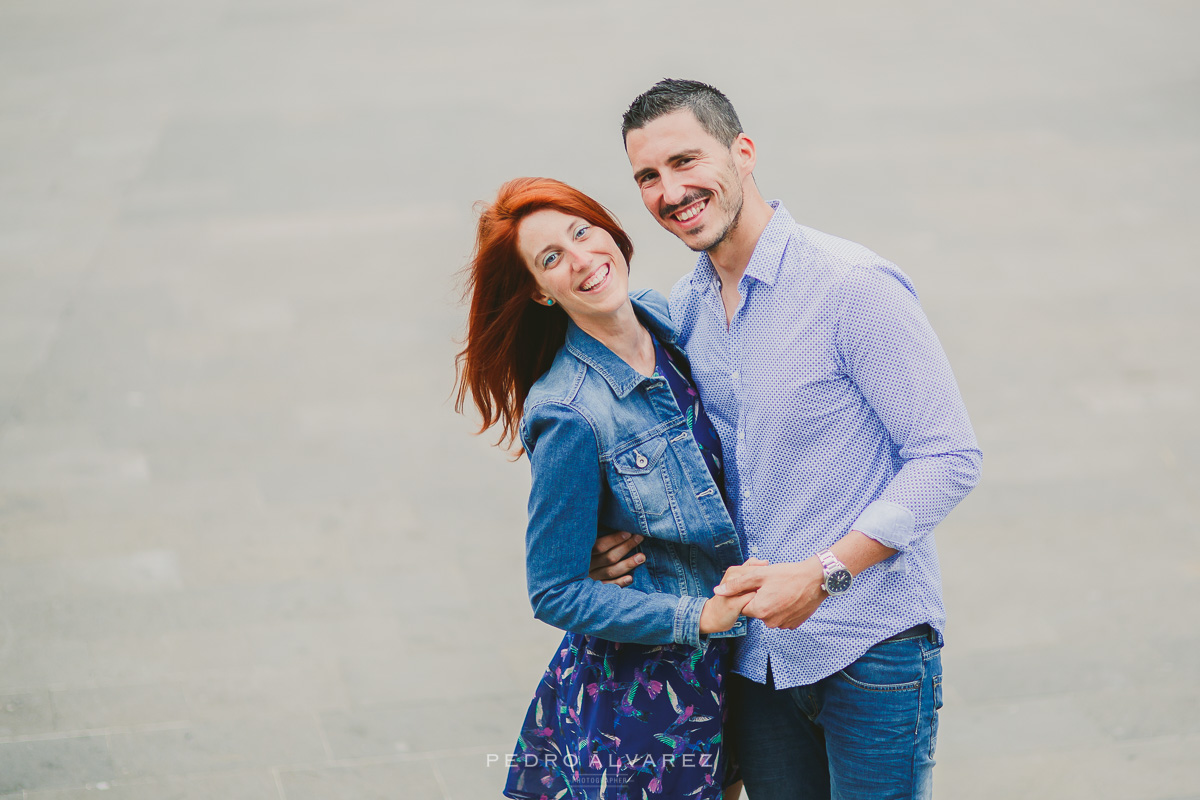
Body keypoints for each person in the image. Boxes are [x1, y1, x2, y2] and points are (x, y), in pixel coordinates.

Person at [592, 79, 983, 799]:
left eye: (686, 161)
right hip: (755, 659)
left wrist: (825, 572)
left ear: (742, 152)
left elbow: (949, 458)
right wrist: (613, 539)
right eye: (647, 176)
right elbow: (698, 473)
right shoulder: (685, 311)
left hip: (872, 646)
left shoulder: (852, 287)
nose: (670, 191)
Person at [455, 177, 756, 799]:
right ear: (540, 293)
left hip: (737, 666)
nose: (582, 260)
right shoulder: (568, 411)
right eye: (550, 259)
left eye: (580, 232)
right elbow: (554, 589)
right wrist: (697, 613)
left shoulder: (670, 320)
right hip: (647, 701)